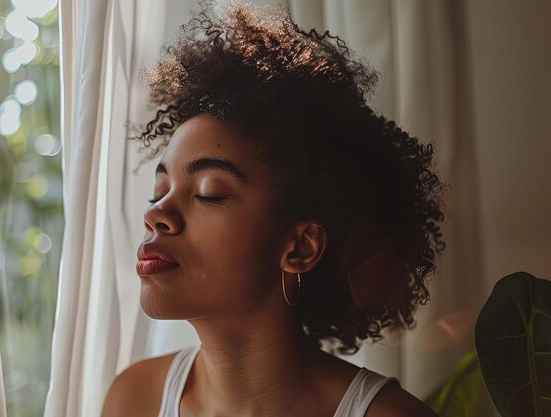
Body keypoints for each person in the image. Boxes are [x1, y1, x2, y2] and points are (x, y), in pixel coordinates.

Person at [102, 3, 445, 417]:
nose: (156, 214)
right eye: (159, 191)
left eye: (209, 193)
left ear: (300, 247)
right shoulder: (134, 399)